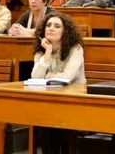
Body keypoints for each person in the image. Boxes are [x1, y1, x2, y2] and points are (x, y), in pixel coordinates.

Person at [31, 11, 86, 154]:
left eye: (57, 26)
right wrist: (48, 53)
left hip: (74, 100)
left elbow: (67, 77)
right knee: (45, 121)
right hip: (51, 100)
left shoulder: (76, 49)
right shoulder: (42, 50)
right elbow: (36, 77)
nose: (51, 28)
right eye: (48, 25)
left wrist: (47, 77)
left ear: (65, 31)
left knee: (59, 121)